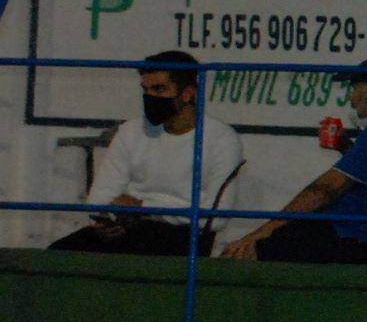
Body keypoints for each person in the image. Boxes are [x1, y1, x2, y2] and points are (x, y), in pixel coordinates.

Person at [220, 57, 367, 265]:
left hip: (365, 239)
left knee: (262, 248)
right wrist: (345, 147)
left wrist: (260, 234)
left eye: (355, 90)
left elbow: (324, 189)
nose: (351, 99)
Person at [49, 50, 244, 255]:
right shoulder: (130, 132)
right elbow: (100, 198)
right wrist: (105, 221)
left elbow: (215, 218)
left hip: (184, 236)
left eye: (159, 89)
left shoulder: (221, 139)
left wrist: (144, 206)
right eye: (146, 89)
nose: (150, 97)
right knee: (57, 253)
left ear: (188, 93)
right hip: (129, 228)